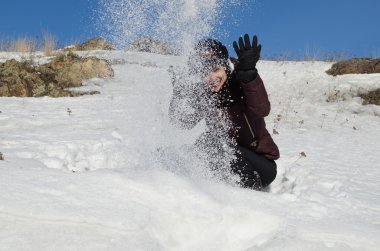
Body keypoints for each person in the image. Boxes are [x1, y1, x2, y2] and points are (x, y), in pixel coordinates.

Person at [168, 34, 280, 191]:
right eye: (205, 73)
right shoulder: (205, 95)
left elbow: (262, 109)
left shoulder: (242, 85)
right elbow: (182, 123)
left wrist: (250, 76)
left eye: (216, 69)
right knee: (204, 143)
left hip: (261, 165)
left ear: (226, 68)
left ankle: (250, 194)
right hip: (228, 157)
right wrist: (177, 97)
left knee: (218, 144)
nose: (212, 77)